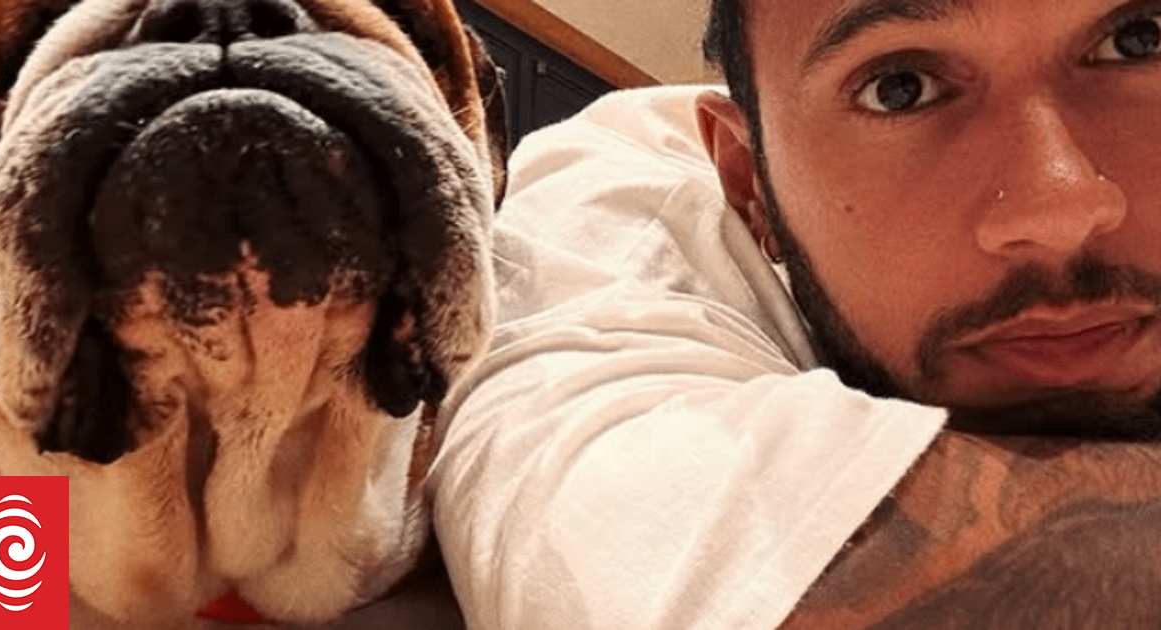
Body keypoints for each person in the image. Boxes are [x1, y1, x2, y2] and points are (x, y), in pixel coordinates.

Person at [428, 0, 1161, 628]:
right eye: (900, 89)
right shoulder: (634, 206)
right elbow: (623, 556)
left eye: (1139, 41)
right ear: (749, 184)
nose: (1061, 210)